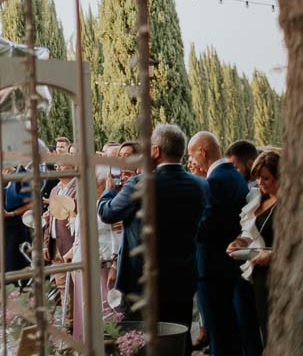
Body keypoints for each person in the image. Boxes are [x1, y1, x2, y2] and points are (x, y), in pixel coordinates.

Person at [99, 124, 207, 352]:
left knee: (139, 343)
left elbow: (108, 213)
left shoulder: (139, 183)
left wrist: (109, 190)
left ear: (156, 151)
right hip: (181, 279)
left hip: (142, 281)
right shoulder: (200, 185)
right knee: (178, 340)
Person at [189, 131, 249, 356]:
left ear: (202, 152)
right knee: (229, 331)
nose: (192, 161)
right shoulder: (233, 175)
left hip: (212, 268)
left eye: (192, 155)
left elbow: (206, 226)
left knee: (219, 334)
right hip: (228, 265)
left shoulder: (215, 181)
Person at [228, 150, 279, 350]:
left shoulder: (291, 204)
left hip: (277, 274)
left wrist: (273, 255)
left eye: (265, 178)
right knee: (261, 329)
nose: (260, 183)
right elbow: (250, 232)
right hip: (257, 272)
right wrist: (238, 243)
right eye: (257, 178)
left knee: (274, 330)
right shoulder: (259, 199)